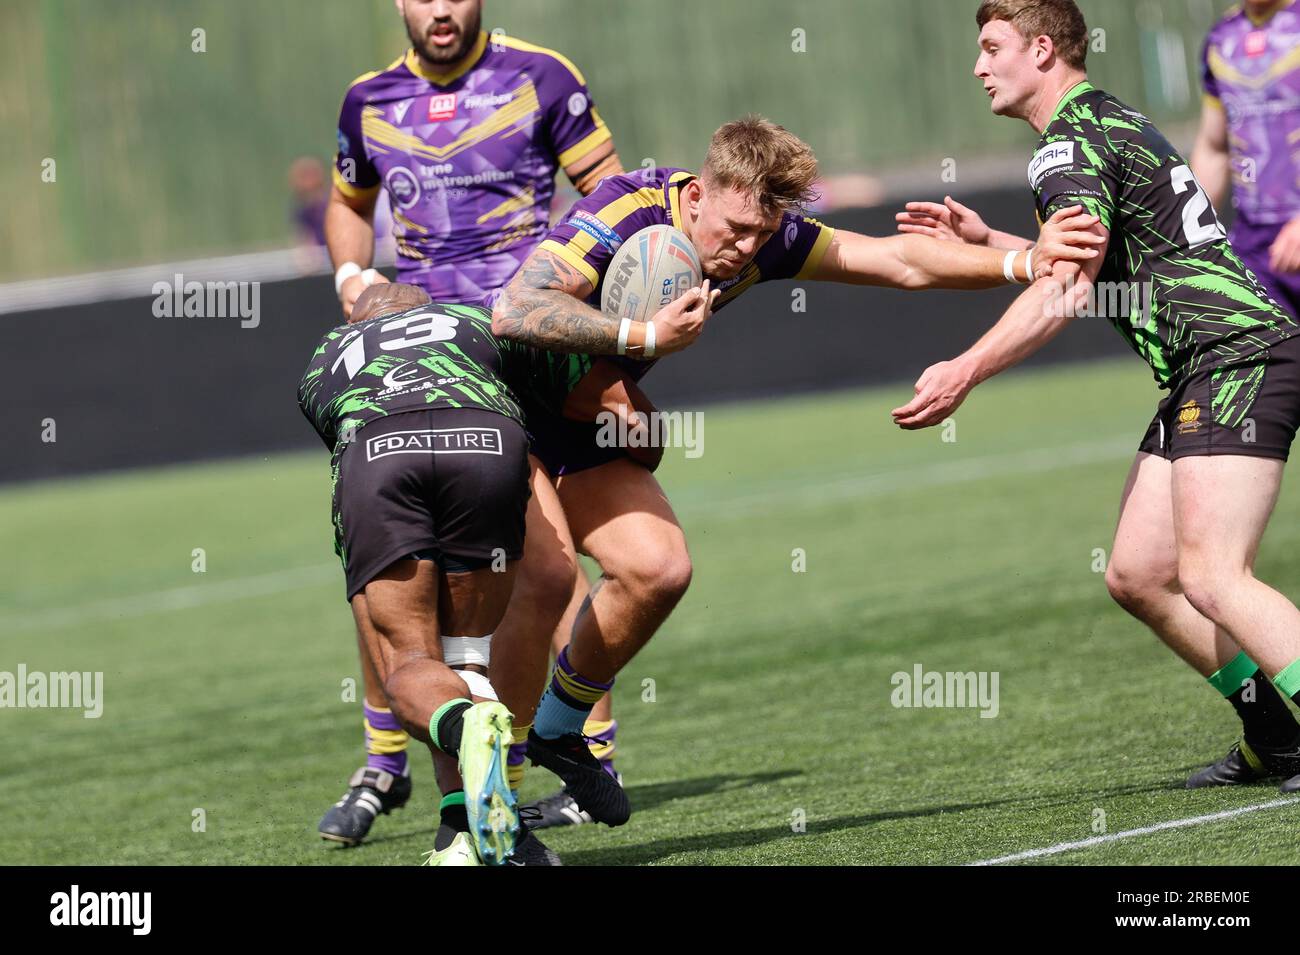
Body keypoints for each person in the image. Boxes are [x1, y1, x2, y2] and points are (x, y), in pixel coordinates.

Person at [491, 114, 1103, 824]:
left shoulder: (767, 237)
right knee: (543, 582)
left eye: (761, 233)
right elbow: (514, 308)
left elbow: (898, 260)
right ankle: (488, 802)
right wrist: (640, 339)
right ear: (702, 193)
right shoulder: (627, 208)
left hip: (578, 416)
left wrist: (1025, 261)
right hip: (503, 407)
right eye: (734, 228)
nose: (745, 249)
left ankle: (560, 735)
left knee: (659, 568)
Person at [892, 0, 1300, 791]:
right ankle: (1277, 737)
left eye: (991, 49)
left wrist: (964, 369)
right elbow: (1103, 263)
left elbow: (1065, 293)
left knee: (1215, 575)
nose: (977, 67)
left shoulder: (1066, 146)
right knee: (1140, 572)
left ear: (1042, 49)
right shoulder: (1102, 121)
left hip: (1234, 353)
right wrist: (995, 244)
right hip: (1210, 359)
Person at [320, 0, 624, 845]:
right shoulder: (367, 100)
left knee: (548, 562)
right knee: (380, 554)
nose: (441, 8)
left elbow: (612, 198)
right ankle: (386, 758)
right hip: (418, 361)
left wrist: (586, 318)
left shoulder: (542, 76)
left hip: (525, 349)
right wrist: (352, 278)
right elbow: (349, 201)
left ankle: (562, 748)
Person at [299, 282, 563, 865]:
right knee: (466, 655)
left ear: (357, 320)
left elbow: (338, 432)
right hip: (487, 443)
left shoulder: (330, 351)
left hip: (382, 451)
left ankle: (468, 730)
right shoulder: (476, 319)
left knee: (412, 663)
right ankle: (462, 832)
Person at [1190, 0, 1300, 321]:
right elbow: (1215, 148)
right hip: (1255, 247)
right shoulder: (1221, 40)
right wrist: (1186, 233)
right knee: (1265, 366)